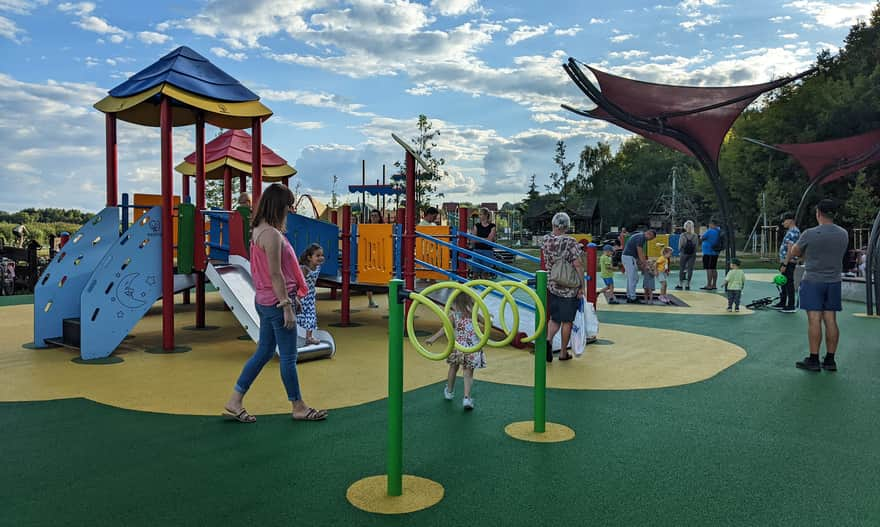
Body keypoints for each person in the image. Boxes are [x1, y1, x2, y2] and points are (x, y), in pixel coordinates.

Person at [223, 183, 327, 423]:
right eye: (288, 205)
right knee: (288, 357)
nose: (290, 210)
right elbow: (275, 273)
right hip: (276, 303)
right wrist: (286, 305)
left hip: (265, 300)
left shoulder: (259, 229)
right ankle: (298, 406)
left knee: (265, 351)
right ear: (279, 206)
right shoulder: (270, 235)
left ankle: (235, 400)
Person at [789, 199, 849, 372]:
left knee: (814, 319)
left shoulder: (809, 233)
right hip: (834, 281)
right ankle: (830, 360)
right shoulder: (843, 233)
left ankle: (813, 359)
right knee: (830, 319)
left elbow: (796, 252)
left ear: (818, 213)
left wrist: (796, 248)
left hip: (813, 280)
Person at [425, 291, 486, 410]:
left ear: (455, 303)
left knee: (453, 368)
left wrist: (433, 338)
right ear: (470, 302)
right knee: (468, 373)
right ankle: (466, 398)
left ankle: (449, 391)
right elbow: (487, 323)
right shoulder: (474, 314)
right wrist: (478, 310)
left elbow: (445, 329)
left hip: (458, 346)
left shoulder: (454, 316)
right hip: (472, 347)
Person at [540, 212, 585, 362]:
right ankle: (563, 352)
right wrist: (581, 286)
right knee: (567, 321)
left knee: (555, 318)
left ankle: (548, 340)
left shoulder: (545, 240)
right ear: (566, 226)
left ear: (553, 224)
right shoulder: (570, 241)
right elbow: (578, 265)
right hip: (568, 287)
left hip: (552, 284)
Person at [298, 243, 325, 346]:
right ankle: (298, 334)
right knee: (301, 315)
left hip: (310, 295)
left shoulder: (318, 267)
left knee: (311, 315)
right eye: (317, 256)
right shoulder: (304, 269)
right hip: (301, 295)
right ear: (309, 257)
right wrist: (297, 297)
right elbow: (298, 283)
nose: (321, 258)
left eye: (322, 255)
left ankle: (309, 337)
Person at [773, 212, 800, 312]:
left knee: (788, 282)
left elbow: (790, 249)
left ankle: (791, 305)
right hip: (786, 260)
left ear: (790, 220)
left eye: (784, 220)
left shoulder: (793, 232)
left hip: (789, 261)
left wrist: (785, 263)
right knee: (783, 282)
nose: (783, 223)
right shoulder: (790, 231)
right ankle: (782, 302)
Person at [621, 229, 656, 303]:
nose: (650, 240)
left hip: (628, 257)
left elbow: (638, 253)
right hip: (629, 257)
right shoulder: (641, 238)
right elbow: (640, 252)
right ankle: (632, 298)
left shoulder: (640, 236)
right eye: (651, 238)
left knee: (632, 278)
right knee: (633, 278)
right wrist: (646, 265)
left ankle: (629, 296)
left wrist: (641, 263)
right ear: (649, 234)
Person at [470, 207, 497, 279]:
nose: (479, 216)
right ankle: (473, 289)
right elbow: (473, 240)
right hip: (477, 251)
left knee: (485, 274)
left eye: (481, 214)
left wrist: (478, 239)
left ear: (485, 215)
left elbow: (490, 240)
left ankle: (485, 289)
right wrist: (485, 240)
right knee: (475, 274)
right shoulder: (477, 225)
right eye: (479, 214)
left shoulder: (492, 226)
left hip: (488, 251)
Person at [366, 210, 383, 308]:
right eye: (372, 216)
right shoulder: (367, 228)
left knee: (387, 280)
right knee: (368, 279)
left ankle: (391, 304)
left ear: (379, 217)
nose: (373, 218)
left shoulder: (383, 228)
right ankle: (370, 301)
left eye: (376, 216)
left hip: (381, 256)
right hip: (369, 256)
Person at [676, 220, 699, 290]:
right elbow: (696, 246)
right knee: (690, 269)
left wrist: (681, 251)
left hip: (684, 253)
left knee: (682, 269)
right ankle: (688, 284)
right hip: (692, 254)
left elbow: (680, 246)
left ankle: (680, 283)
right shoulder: (695, 235)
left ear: (685, 227)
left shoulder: (682, 235)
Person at [700, 219, 722, 290]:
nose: (709, 225)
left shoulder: (710, 231)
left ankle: (709, 285)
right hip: (715, 252)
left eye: (709, 224)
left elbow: (702, 237)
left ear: (712, 224)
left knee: (709, 268)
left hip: (708, 252)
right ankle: (714, 284)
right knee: (714, 268)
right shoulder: (719, 231)